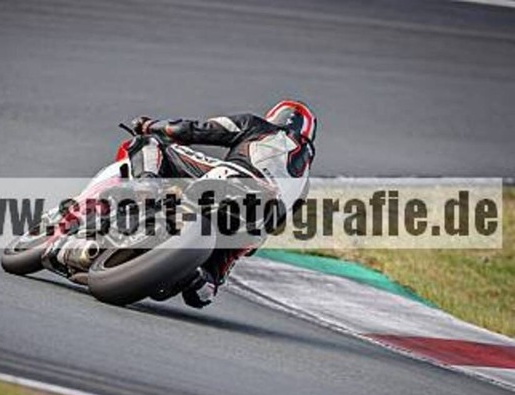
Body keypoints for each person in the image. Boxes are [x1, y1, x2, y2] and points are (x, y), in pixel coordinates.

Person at [45, 100, 318, 308]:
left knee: (151, 144)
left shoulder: (259, 126)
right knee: (208, 283)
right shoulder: (304, 184)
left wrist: (150, 125)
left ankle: (146, 184)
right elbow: (279, 224)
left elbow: (190, 130)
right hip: (256, 225)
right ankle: (202, 279)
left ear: (278, 116)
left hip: (232, 181)